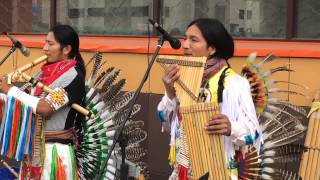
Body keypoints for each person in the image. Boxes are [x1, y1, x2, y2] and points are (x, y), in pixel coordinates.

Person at [157, 18, 262, 179]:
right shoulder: (183, 77)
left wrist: (230, 127)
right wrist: (170, 93)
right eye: (185, 38)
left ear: (211, 48)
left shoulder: (234, 83)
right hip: (183, 171)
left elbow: (253, 134)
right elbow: (166, 124)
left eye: (194, 40)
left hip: (219, 172)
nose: (185, 45)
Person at [0, 25, 86, 179]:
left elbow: (45, 107)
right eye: (45, 42)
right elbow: (24, 102)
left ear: (66, 49)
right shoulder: (42, 73)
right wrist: (5, 95)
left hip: (55, 154)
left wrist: (11, 90)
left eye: (50, 44)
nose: (45, 48)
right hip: (34, 150)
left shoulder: (73, 76)